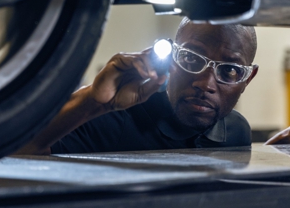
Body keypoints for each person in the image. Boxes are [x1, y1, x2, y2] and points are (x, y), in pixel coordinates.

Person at [17, 18, 259, 155]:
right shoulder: (115, 121)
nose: (204, 83)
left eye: (229, 70)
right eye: (191, 58)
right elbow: (15, 150)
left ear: (247, 78)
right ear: (172, 56)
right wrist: (92, 101)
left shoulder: (236, 132)